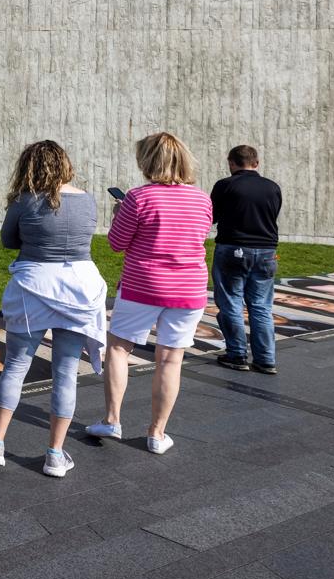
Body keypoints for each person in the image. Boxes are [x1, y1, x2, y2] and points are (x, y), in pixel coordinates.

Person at [0, 141, 106, 479]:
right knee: (65, 373)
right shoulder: (88, 200)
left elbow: (8, 240)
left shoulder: (25, 201)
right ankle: (54, 453)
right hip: (80, 286)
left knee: (16, 366)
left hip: (33, 285)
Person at [87, 132, 212, 455]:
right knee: (171, 361)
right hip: (190, 288)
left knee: (118, 349)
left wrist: (119, 215)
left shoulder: (138, 198)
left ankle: (112, 419)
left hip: (144, 285)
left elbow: (117, 243)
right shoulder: (202, 198)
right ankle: (157, 433)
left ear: (148, 161)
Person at [210, 145, 283, 374]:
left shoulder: (226, 185)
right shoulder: (272, 187)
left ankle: (237, 354)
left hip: (233, 248)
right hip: (267, 251)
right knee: (261, 306)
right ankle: (266, 359)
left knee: (231, 302)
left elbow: (211, 216)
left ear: (231, 162)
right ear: (256, 163)